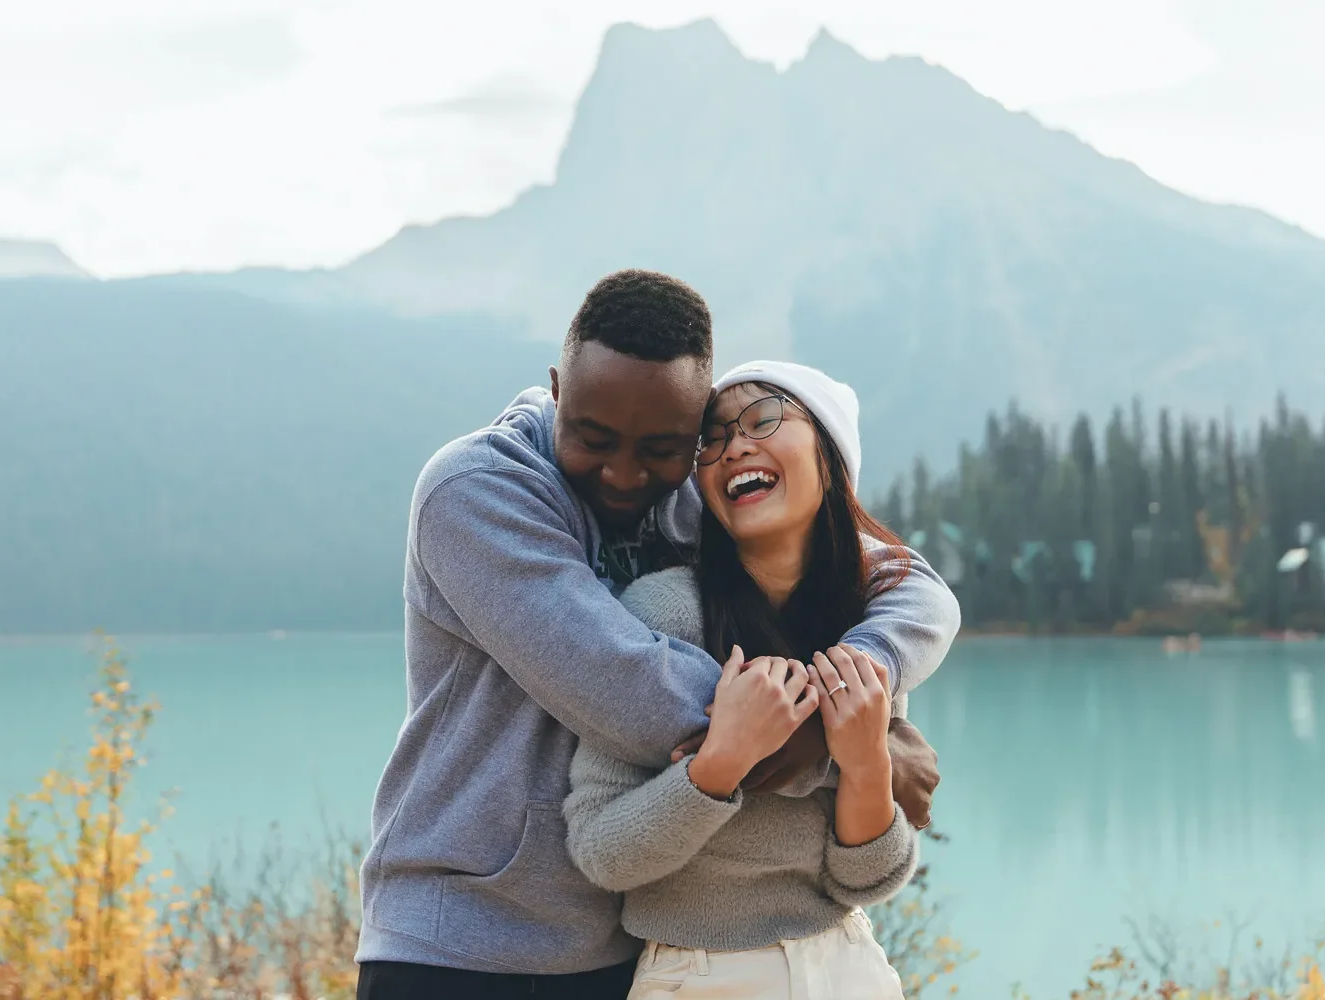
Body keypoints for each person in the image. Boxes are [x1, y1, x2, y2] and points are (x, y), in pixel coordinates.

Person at [355, 270, 961, 1000]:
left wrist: (865, 679)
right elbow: (623, 684)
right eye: (593, 437)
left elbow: (909, 585)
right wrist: (850, 747)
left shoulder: (688, 485)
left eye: (663, 447)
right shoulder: (477, 491)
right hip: (462, 946)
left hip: (623, 948)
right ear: (556, 389)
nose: (624, 473)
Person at [565, 362, 921, 998]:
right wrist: (721, 764)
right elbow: (599, 853)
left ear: (831, 454)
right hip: (698, 976)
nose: (735, 446)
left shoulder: (867, 628)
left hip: (849, 967)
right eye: (714, 436)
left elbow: (865, 881)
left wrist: (866, 764)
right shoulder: (663, 614)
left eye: (764, 419)